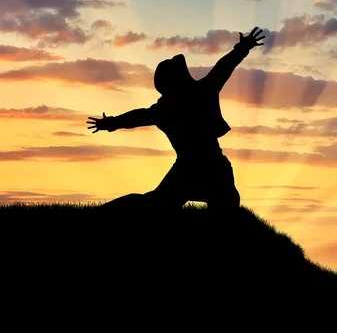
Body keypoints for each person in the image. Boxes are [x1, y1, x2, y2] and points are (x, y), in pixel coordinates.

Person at [87, 27, 265, 211]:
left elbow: (137, 116)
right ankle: (98, 215)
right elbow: (223, 68)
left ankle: (99, 215)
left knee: (221, 207)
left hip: (205, 169)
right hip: (199, 169)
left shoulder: (170, 106)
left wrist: (110, 123)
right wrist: (242, 48)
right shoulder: (197, 94)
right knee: (157, 204)